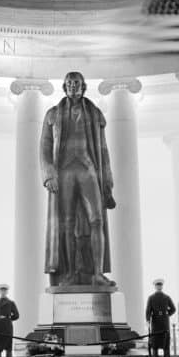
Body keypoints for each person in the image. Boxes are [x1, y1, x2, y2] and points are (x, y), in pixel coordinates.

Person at [40, 71, 116, 287]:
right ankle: (70, 273)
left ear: (83, 86)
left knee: (97, 220)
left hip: (88, 169)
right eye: (69, 83)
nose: (73, 86)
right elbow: (44, 147)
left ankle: (97, 273)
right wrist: (48, 176)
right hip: (63, 172)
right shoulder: (52, 114)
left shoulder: (94, 114)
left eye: (77, 83)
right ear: (64, 87)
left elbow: (103, 149)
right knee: (66, 223)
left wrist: (108, 184)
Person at [145, 278, 176, 357]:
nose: (159, 286)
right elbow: (148, 310)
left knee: (166, 345)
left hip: (163, 323)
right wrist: (147, 320)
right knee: (154, 345)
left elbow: (173, 309)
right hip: (156, 323)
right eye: (157, 285)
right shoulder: (151, 298)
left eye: (160, 285)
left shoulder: (167, 297)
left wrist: (166, 315)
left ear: (162, 286)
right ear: (155, 286)